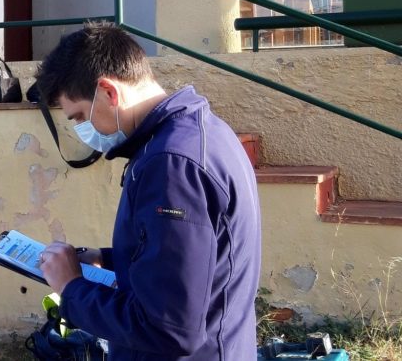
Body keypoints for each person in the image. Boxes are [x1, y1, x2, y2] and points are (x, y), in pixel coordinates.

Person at [34, 22, 261, 360]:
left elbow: (168, 329)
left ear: (109, 93)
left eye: (80, 115)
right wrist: (108, 258)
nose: (83, 129)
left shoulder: (171, 164)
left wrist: (71, 289)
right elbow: (189, 256)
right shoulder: (199, 132)